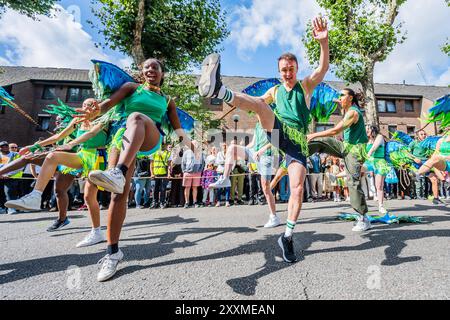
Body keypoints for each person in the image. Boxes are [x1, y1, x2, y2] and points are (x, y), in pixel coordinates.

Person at [199, 16, 329, 262]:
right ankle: (219, 90)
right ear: (279, 72)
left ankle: (287, 236)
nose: (288, 73)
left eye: (291, 69)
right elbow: (254, 105)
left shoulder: (306, 86)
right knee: (260, 104)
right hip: (279, 132)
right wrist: (232, 101)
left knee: (298, 189)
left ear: (296, 69)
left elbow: (322, 69)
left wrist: (324, 42)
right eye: (283, 70)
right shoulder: (276, 90)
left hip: (298, 143)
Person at [77, 58, 192, 281]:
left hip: (150, 136)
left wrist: (189, 143)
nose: (150, 70)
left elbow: (177, 128)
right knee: (117, 195)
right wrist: (92, 112)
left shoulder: (167, 100)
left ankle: (118, 171)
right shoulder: (131, 88)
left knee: (136, 117)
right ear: (142, 72)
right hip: (121, 140)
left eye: (155, 67)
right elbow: (107, 105)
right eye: (146, 67)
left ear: (162, 73)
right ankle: (112, 253)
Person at [6, 98, 111, 247]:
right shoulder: (77, 120)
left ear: (98, 107)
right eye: (85, 104)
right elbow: (58, 136)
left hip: (97, 157)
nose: (87, 107)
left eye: (92, 104)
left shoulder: (103, 119)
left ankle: (96, 231)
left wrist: (71, 144)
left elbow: (91, 134)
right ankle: (36, 196)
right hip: (82, 155)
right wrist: (35, 146)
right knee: (52, 156)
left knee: (89, 197)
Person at [307, 88, 371, 232]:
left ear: (350, 98)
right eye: (339, 96)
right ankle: (299, 152)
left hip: (355, 151)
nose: (340, 98)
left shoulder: (353, 112)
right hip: (344, 146)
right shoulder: (347, 108)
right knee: (322, 141)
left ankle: (363, 218)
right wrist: (333, 99)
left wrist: (312, 134)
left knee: (352, 182)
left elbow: (336, 130)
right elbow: (338, 100)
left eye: (342, 95)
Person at [211, 122, 280, 227]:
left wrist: (261, 150)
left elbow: (275, 141)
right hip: (254, 152)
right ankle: (225, 178)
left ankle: (274, 217)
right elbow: (253, 142)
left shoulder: (271, 119)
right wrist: (242, 151)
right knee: (232, 148)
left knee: (266, 188)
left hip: (266, 156)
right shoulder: (257, 124)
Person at [364, 126, 390, 214]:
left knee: (379, 186)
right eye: (365, 129)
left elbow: (374, 147)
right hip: (369, 161)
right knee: (355, 169)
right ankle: (335, 176)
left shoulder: (379, 137)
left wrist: (368, 154)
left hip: (379, 162)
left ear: (373, 130)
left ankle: (381, 206)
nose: (366, 130)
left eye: (368, 128)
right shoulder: (366, 140)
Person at [182, 140, 205, 208]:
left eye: (196, 144)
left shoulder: (200, 153)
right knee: (187, 188)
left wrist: (200, 171)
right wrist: (184, 171)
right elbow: (183, 162)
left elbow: (202, 163)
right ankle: (187, 202)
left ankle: (195, 202)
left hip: (197, 173)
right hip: (187, 173)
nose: (195, 145)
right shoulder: (186, 152)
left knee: (195, 188)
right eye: (193, 144)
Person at [150, 142, 171, 209]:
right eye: (160, 144)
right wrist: (152, 174)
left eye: (163, 145)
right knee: (155, 189)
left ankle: (162, 202)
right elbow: (151, 164)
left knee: (163, 189)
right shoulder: (153, 152)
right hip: (155, 174)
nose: (161, 146)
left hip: (164, 174)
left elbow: (169, 165)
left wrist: (169, 174)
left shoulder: (167, 153)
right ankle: (154, 202)